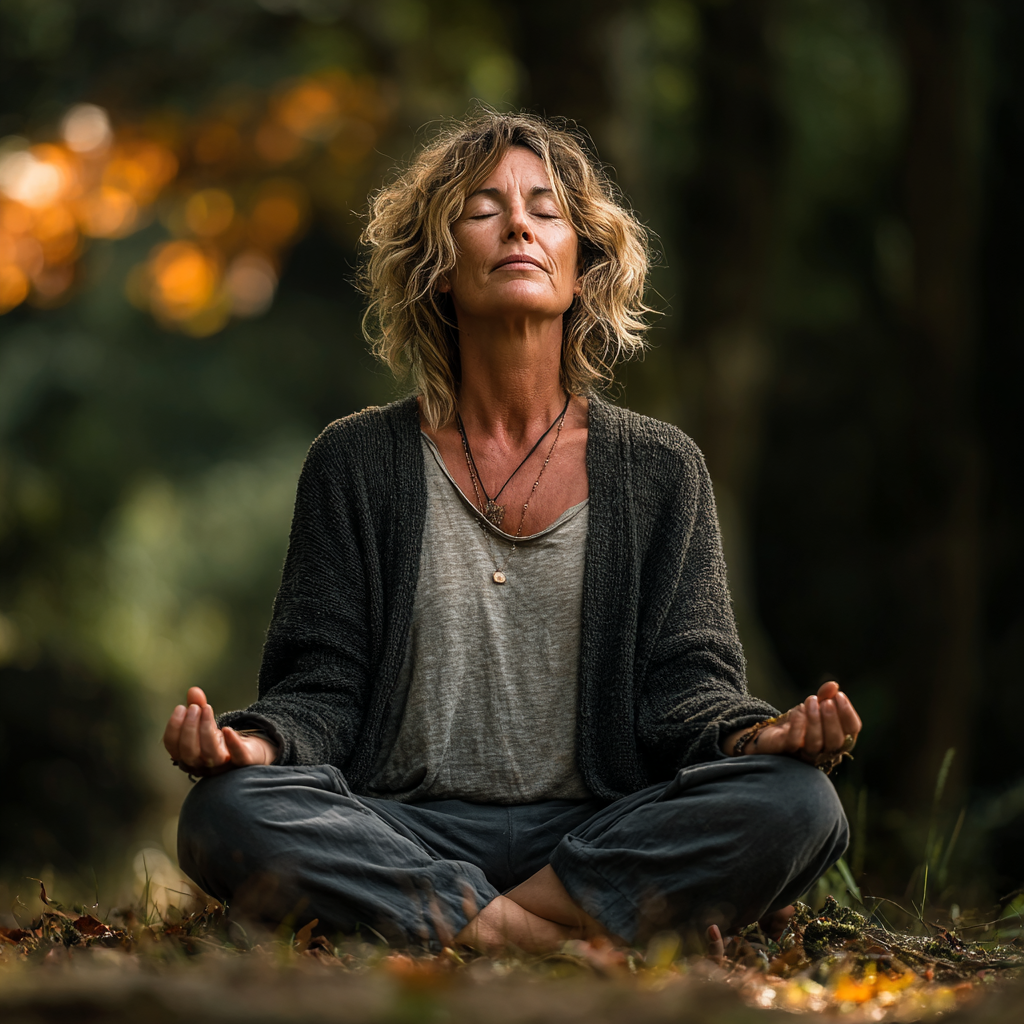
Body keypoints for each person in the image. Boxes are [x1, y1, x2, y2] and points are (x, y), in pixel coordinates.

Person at [164, 112, 860, 955]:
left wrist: (762, 738)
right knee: (225, 812)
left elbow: (688, 690)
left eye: (545, 208)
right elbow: (322, 689)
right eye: (484, 208)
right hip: (402, 829)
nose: (520, 224)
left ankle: (463, 926)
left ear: (582, 265)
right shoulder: (355, 462)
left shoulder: (662, 468)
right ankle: (556, 940)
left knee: (799, 804)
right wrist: (253, 743)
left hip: (599, 830)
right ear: (439, 266)